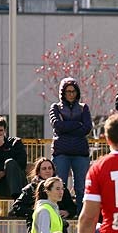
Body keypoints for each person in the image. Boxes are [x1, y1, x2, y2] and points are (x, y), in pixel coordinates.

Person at [49, 77, 93, 208]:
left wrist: (66, 126)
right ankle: (60, 215)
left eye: (73, 91)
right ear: (63, 93)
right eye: (68, 91)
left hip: (80, 153)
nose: (71, 94)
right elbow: (57, 126)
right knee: (58, 186)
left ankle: (81, 217)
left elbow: (87, 128)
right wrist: (77, 124)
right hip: (61, 153)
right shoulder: (55, 107)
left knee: (81, 188)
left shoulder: (83, 107)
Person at [10, 157, 77, 229]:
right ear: (38, 172)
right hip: (36, 227)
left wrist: (67, 212)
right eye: (44, 168)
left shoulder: (61, 186)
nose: (47, 171)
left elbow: (72, 207)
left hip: (57, 228)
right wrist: (37, 212)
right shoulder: (31, 188)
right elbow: (17, 207)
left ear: (53, 171)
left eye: (50, 168)